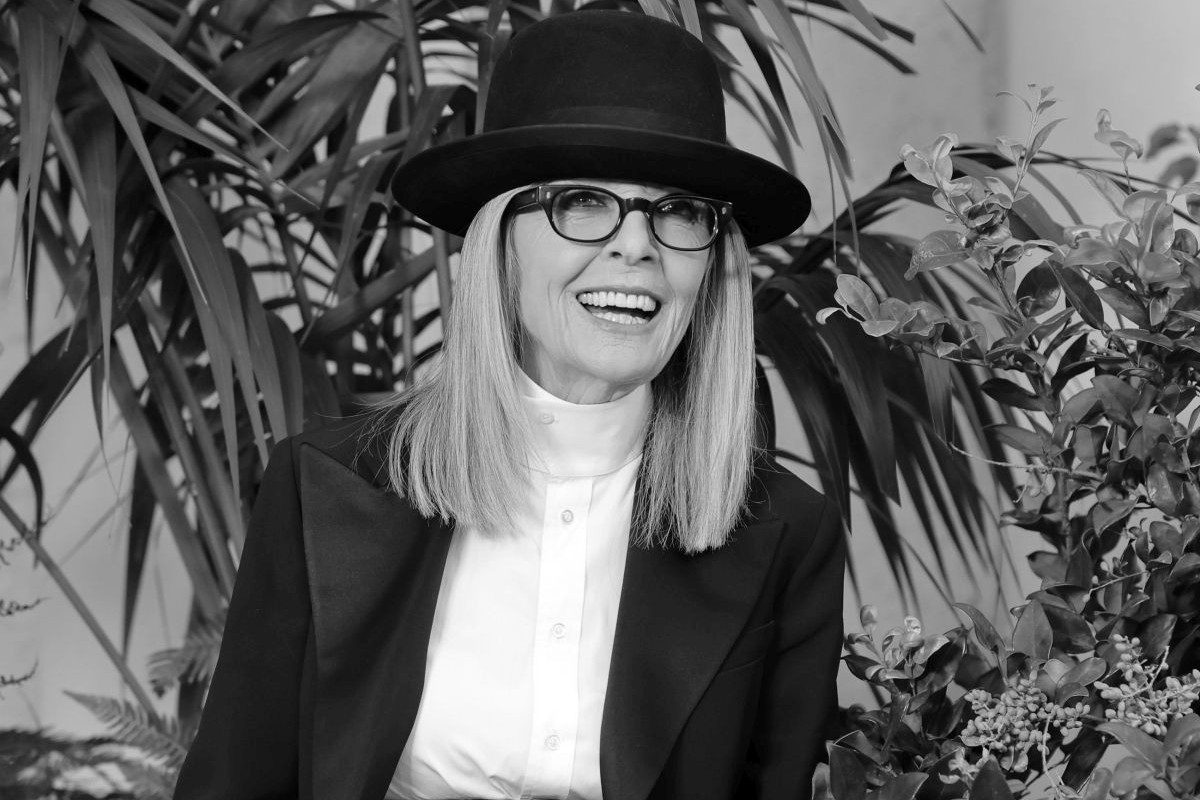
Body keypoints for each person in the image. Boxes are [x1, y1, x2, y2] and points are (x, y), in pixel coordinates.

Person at [174, 9, 844, 800]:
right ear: (501, 242)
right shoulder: (324, 489)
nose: (638, 246)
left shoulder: (785, 531)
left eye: (679, 211)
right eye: (583, 201)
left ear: (711, 264)